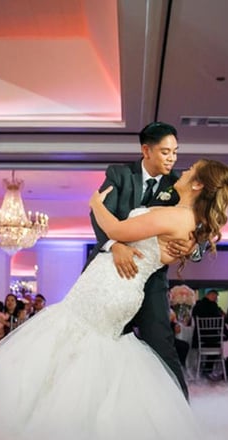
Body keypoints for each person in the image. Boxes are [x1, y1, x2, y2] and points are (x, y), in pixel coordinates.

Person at [0, 159, 228, 440]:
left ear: (198, 184)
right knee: (89, 349)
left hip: (110, 285)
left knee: (73, 343)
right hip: (123, 286)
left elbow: (115, 229)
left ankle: (52, 428)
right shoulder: (188, 221)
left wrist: (96, 204)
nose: (183, 169)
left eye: (191, 170)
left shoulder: (177, 215)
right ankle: (84, 428)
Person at [87, 121, 197, 400]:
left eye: (175, 152)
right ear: (146, 150)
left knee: (162, 343)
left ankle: (180, 410)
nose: (172, 159)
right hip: (111, 275)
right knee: (102, 344)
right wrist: (114, 245)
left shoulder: (178, 185)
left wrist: (192, 247)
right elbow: (99, 213)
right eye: (165, 152)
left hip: (151, 281)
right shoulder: (120, 174)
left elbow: (200, 225)